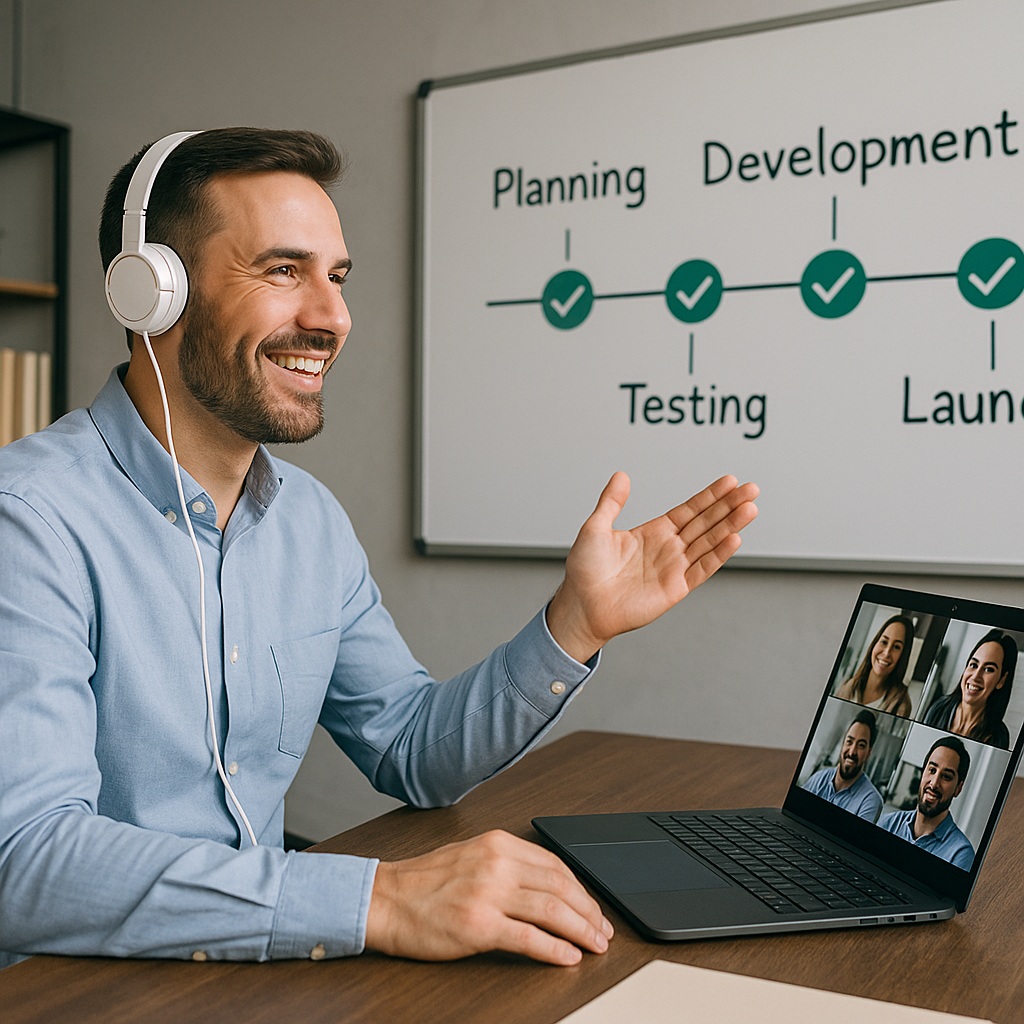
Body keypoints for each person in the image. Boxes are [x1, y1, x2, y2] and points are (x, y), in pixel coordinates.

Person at [0, 128, 758, 969]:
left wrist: (573, 625)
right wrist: (380, 897)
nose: (332, 318)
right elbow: (25, 863)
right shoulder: (28, 520)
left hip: (251, 977)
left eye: (337, 277)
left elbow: (410, 750)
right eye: (284, 271)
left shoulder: (309, 523)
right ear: (153, 292)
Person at [877, 736, 975, 870]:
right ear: (923, 773)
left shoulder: (960, 854)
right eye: (932, 770)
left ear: (958, 788)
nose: (934, 783)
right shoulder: (887, 824)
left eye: (946, 776)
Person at [922, 630, 1016, 749]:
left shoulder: (998, 736)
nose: (976, 676)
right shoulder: (939, 708)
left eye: (988, 669)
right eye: (974, 665)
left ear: (1001, 680)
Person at [801, 710, 883, 822]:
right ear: (843, 744)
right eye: (849, 742)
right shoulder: (818, 778)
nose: (852, 752)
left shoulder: (870, 800)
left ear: (868, 753)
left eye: (861, 745)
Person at [834, 614, 914, 717]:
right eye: (884, 642)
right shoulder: (848, 686)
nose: (886, 653)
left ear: (903, 656)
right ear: (874, 644)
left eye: (896, 647)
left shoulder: (901, 704)